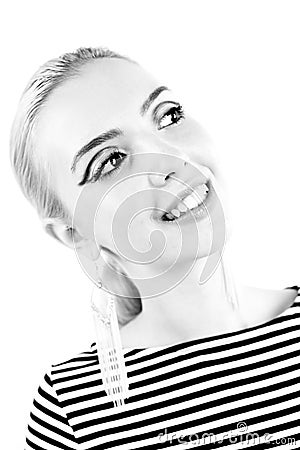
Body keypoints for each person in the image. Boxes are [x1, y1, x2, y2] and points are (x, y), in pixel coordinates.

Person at [10, 47, 300, 449]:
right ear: (76, 234)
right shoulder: (71, 409)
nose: (172, 157)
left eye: (169, 116)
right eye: (110, 160)